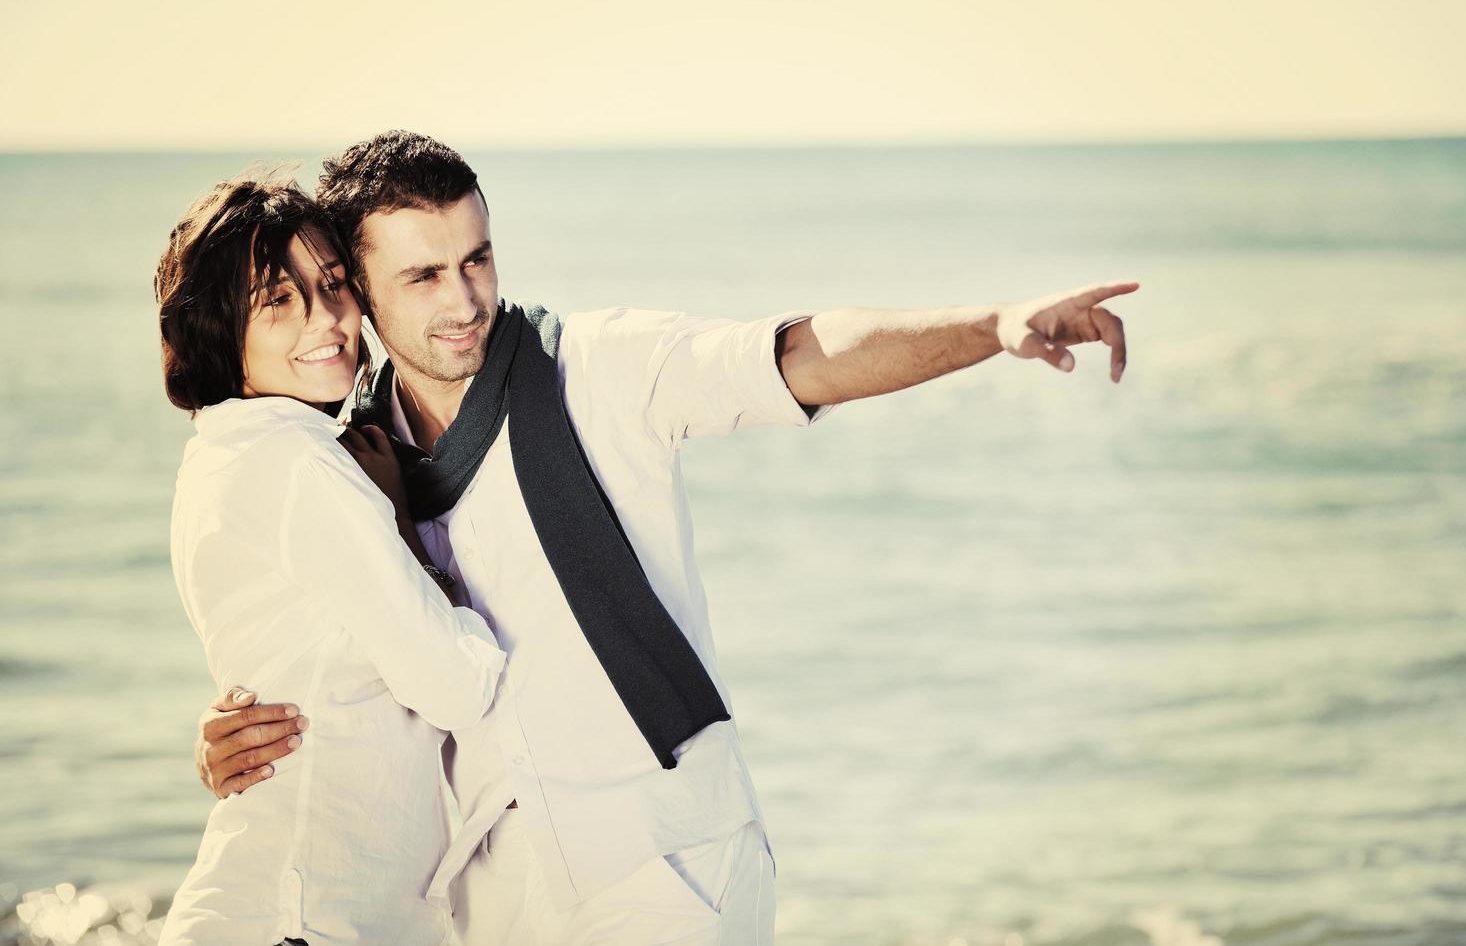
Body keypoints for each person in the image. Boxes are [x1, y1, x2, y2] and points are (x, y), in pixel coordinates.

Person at [194, 131, 1136, 944]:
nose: (466, 298)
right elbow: (322, 631)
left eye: (477, 258)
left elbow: (800, 354)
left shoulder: (597, 366)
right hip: (497, 893)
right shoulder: (349, 453)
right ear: (357, 289)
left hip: (665, 861)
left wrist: (995, 325)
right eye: (425, 274)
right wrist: (235, 728)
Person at [154, 173, 508, 945]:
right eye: (279, 300)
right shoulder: (294, 461)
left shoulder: (220, 454)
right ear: (218, 325)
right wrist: (404, 527)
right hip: (304, 919)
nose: (329, 319)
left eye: (335, 283)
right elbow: (456, 687)